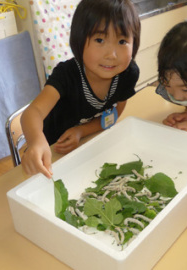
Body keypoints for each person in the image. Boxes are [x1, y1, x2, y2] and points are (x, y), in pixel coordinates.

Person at [21, 0, 141, 178]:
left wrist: (81, 131)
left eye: (122, 41)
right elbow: (33, 113)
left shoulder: (128, 73)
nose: (111, 55)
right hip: (53, 151)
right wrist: (36, 141)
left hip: (89, 146)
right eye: (99, 40)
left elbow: (117, 110)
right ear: (79, 40)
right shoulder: (66, 75)